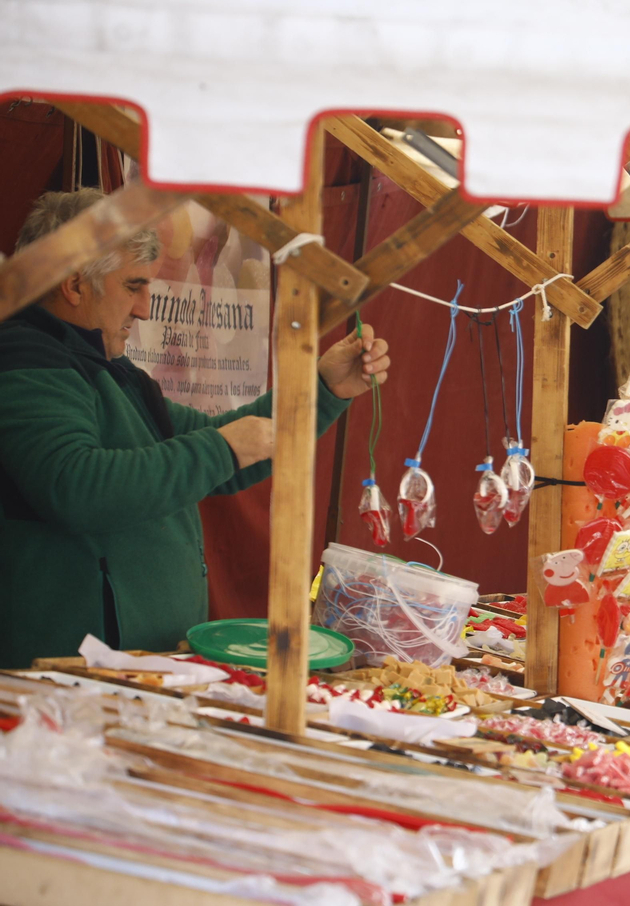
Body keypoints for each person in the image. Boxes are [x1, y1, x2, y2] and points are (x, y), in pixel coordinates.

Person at [0, 189, 391, 668]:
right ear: (77, 285)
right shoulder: (25, 361)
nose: (145, 307)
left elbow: (223, 450)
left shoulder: (113, 371)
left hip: (125, 669)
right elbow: (75, 485)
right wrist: (221, 447)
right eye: (133, 286)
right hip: (65, 676)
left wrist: (324, 388)